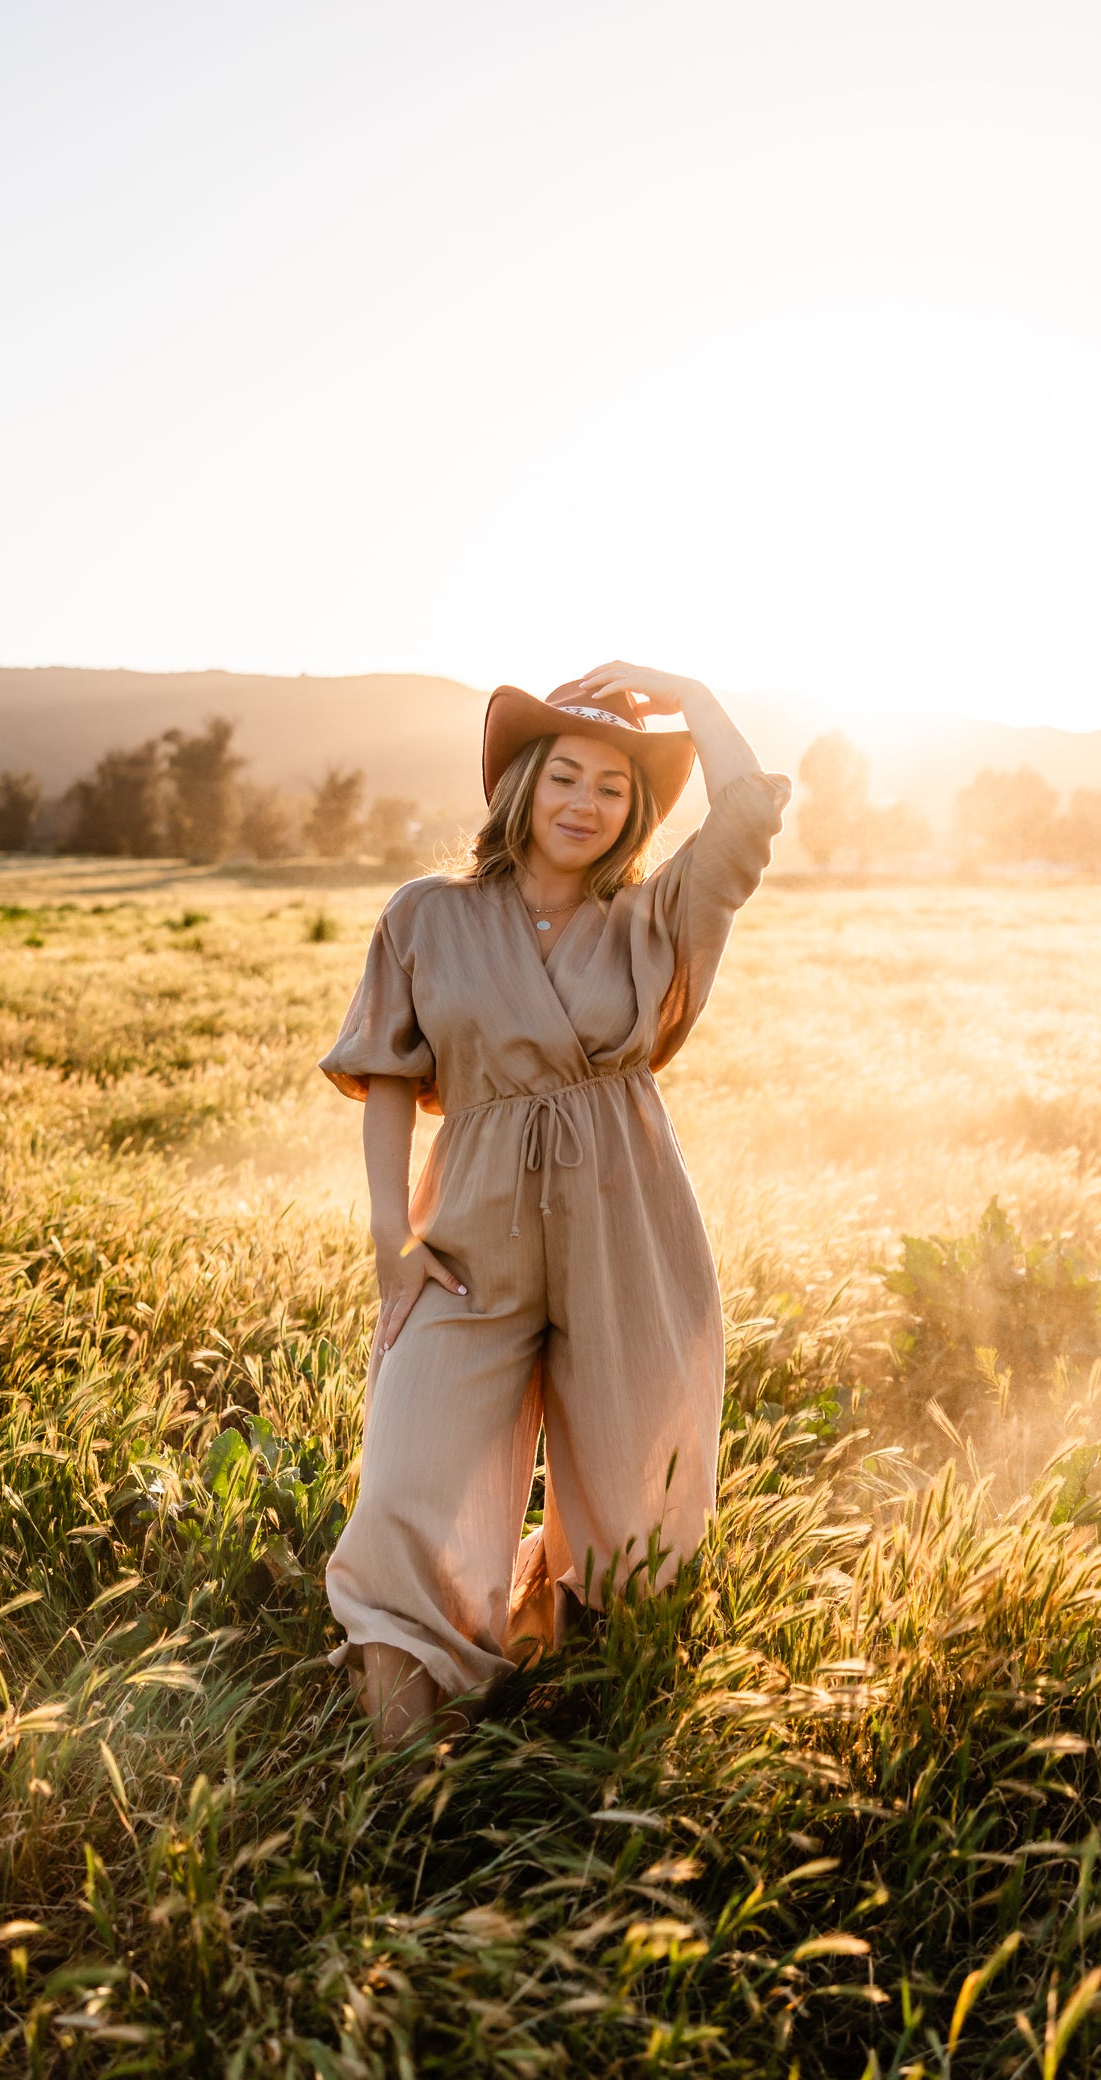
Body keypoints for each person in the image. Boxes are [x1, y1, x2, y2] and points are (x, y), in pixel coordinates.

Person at [319, 663, 791, 1744]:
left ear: (634, 814)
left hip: (626, 1224)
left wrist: (690, 693)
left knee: (636, 1508)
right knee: (404, 1481)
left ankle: (581, 1733)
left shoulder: (651, 915)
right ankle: (396, 1787)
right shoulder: (425, 916)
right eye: (566, 776)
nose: (585, 802)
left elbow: (745, 811)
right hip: (467, 1234)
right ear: (522, 784)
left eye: (615, 788)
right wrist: (392, 1242)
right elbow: (389, 1079)